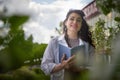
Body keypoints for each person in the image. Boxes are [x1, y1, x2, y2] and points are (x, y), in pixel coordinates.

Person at [41, 9, 95, 80]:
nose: (75, 22)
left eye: (78, 20)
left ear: (81, 25)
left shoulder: (88, 47)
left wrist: (78, 69)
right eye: (72, 19)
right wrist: (61, 66)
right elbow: (45, 66)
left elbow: (94, 69)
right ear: (66, 22)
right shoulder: (54, 42)